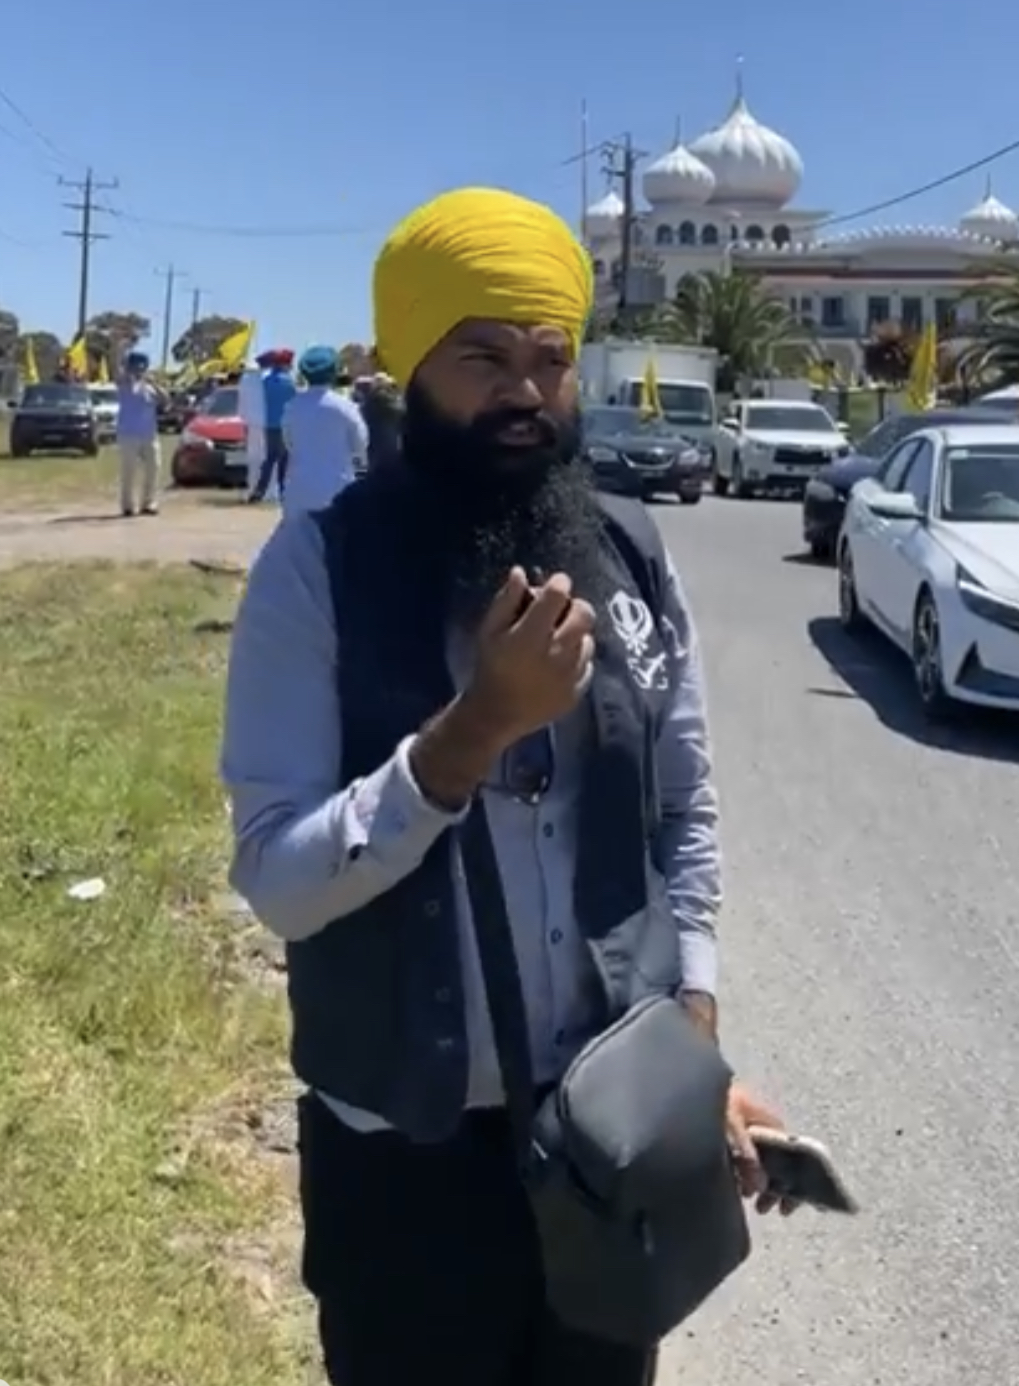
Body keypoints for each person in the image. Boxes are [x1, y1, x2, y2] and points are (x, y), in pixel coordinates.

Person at [221, 186, 786, 1386]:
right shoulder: (318, 568)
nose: (525, 391)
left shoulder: (629, 554)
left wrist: (694, 1044)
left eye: (550, 357)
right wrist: (469, 734)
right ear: (411, 371)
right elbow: (275, 879)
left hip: (610, 1138)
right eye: (483, 356)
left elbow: (682, 817)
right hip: (402, 1157)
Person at [277, 345, 368, 515]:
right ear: (335, 371)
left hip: (298, 491)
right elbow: (360, 443)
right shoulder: (345, 407)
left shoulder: (292, 407)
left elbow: (289, 443)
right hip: (336, 490)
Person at [115, 349, 167, 517]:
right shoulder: (125, 383)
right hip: (128, 434)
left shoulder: (150, 387)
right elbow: (118, 372)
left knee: (153, 468)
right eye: (136, 366)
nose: (139, 370)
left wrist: (155, 384)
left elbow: (166, 400)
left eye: (142, 367)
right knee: (129, 471)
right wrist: (119, 348)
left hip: (149, 434)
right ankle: (128, 506)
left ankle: (149, 502)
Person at [248, 348, 297, 503]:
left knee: (270, 459)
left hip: (269, 424)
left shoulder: (266, 381)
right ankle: (283, 492)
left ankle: (259, 491)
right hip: (286, 426)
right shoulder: (289, 382)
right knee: (284, 459)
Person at [237, 357, 266, 495]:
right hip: (267, 423)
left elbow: (242, 404)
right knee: (265, 456)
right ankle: (265, 489)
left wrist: (243, 418)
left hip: (252, 423)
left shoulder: (245, 380)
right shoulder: (265, 379)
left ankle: (252, 486)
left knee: (253, 457)